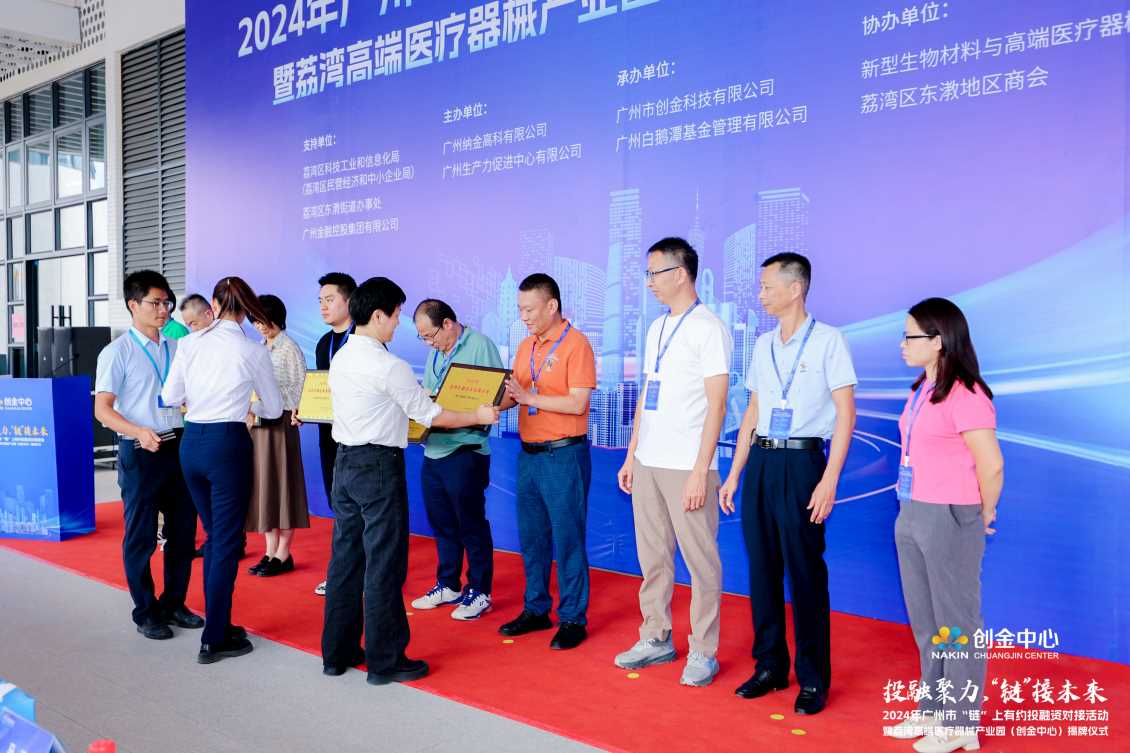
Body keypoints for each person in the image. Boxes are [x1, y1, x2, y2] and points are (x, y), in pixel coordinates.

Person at [320, 277, 499, 685]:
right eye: (397, 315)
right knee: (384, 563)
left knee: (345, 560)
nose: (398, 324)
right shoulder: (389, 366)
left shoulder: (343, 356)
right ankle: (386, 660)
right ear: (378, 315)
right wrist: (477, 415)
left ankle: (337, 652)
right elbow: (431, 415)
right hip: (377, 467)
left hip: (345, 464)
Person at [719, 252, 857, 715]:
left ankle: (813, 679)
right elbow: (753, 412)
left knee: (805, 572)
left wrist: (829, 479)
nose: (760, 294)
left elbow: (846, 414)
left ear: (795, 289)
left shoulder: (829, 341)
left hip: (803, 463)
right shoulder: (763, 345)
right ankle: (770, 666)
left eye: (767, 286)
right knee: (762, 568)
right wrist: (735, 474)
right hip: (761, 460)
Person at [884, 298, 1003, 753]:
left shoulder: (967, 394)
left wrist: (984, 511)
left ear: (938, 341)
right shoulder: (922, 388)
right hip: (911, 510)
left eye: (910, 336)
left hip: (951, 514)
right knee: (927, 621)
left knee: (956, 623)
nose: (902, 344)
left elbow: (991, 463)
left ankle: (960, 723)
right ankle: (933, 707)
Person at [615, 238, 730, 686]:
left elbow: (718, 404)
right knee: (653, 557)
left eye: (654, 273)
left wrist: (701, 470)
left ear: (680, 274)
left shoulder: (709, 328)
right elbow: (648, 392)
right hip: (649, 459)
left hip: (688, 465)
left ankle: (703, 650)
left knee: (701, 563)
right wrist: (632, 453)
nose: (648, 282)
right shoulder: (657, 328)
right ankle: (656, 636)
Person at [161, 277, 284, 664]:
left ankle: (219, 624)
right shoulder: (252, 349)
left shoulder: (190, 343)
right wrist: (250, 407)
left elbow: (169, 396)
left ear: (213, 305)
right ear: (246, 309)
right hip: (227, 445)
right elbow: (274, 408)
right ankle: (215, 638)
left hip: (191, 444)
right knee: (226, 542)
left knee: (216, 538)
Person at [94, 270, 202, 641]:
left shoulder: (177, 347)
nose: (163, 309)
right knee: (141, 535)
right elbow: (102, 410)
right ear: (133, 305)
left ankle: (174, 603)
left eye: (167, 302)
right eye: (155, 303)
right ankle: (145, 610)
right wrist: (138, 430)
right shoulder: (117, 352)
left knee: (183, 532)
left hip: (179, 446)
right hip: (141, 449)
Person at [498, 273, 596, 651]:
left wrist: (528, 398)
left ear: (552, 305)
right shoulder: (526, 346)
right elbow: (514, 394)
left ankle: (572, 618)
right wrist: (482, 402)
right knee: (533, 537)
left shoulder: (577, 344)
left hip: (563, 455)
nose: (524, 316)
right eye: (520, 310)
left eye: (530, 309)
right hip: (530, 455)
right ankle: (536, 608)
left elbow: (577, 403)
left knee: (568, 538)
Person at [409, 299, 505, 620]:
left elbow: (495, 394)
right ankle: (448, 584)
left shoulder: (480, 346)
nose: (428, 342)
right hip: (433, 448)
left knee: (471, 524)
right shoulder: (436, 352)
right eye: (422, 338)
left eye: (430, 335)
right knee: (443, 523)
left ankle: (480, 590)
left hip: (466, 449)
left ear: (448, 323)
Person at [245, 294, 310, 577]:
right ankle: (269, 550)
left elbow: (301, 388)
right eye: (255, 321)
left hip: (281, 424)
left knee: (283, 486)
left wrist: (296, 410)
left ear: (277, 318)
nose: (259, 326)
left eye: (264, 320)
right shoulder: (259, 348)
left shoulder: (289, 348)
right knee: (264, 487)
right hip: (257, 424)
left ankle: (283, 553)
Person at [311, 272, 357, 597]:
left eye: (330, 300)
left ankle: (357, 574)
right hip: (328, 435)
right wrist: (304, 409)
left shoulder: (364, 341)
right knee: (337, 502)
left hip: (357, 437)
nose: (324, 307)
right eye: (320, 301)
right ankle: (343, 572)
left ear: (349, 301)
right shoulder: (322, 343)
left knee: (358, 508)